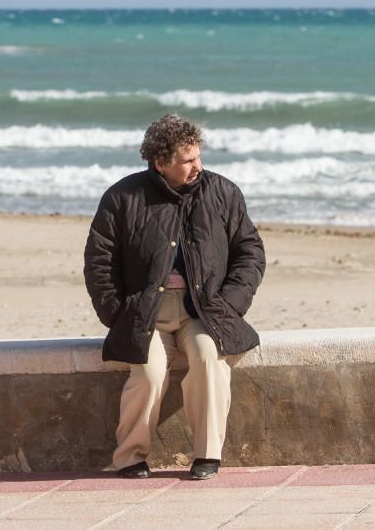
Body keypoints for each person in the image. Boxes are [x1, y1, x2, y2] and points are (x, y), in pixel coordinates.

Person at [83, 114, 264, 480]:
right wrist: (118, 313)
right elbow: (98, 260)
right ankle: (130, 457)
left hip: (205, 311)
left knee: (209, 358)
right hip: (145, 312)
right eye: (188, 160)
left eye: (198, 157)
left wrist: (230, 303)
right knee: (148, 373)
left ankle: (207, 456)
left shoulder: (224, 192)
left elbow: (250, 252)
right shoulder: (123, 197)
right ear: (160, 162)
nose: (198, 166)